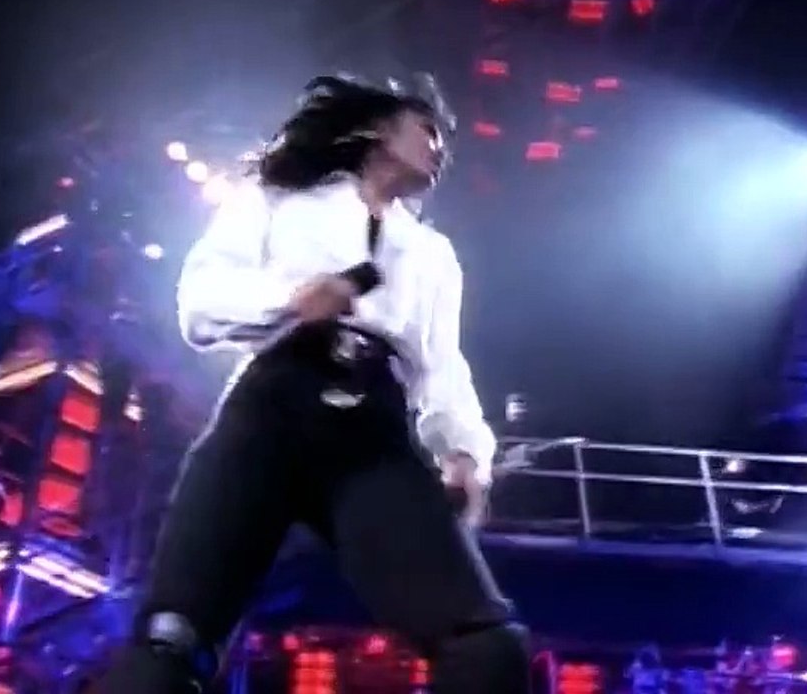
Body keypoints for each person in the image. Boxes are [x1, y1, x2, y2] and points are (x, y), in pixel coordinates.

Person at [96, 74, 529, 693]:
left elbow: (441, 364)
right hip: (270, 409)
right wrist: (292, 299)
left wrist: (463, 452)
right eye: (428, 131)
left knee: (487, 647)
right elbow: (200, 302)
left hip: (372, 437)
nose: (441, 149)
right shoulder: (278, 195)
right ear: (378, 128)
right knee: (170, 642)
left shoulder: (432, 254)